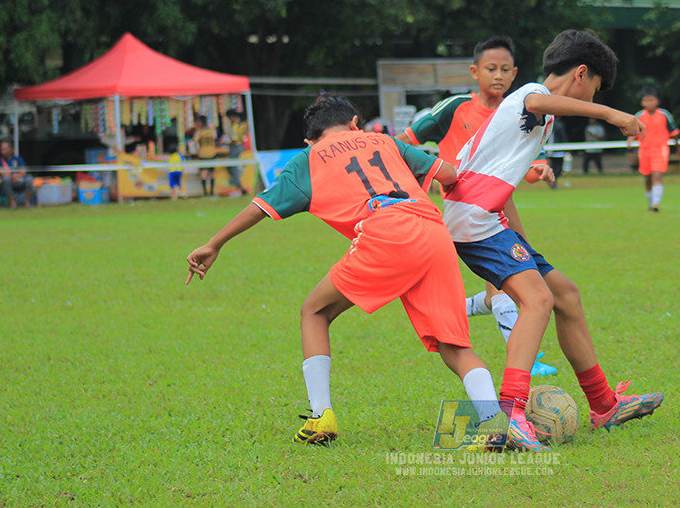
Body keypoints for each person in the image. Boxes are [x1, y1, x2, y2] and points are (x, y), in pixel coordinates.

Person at [185, 96, 520, 449]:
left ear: (310, 140)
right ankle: (494, 424)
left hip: (385, 232)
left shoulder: (308, 159)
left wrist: (215, 243)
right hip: (433, 232)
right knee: (454, 343)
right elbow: (449, 174)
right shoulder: (385, 140)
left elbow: (260, 207)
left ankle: (321, 417)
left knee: (314, 312)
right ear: (355, 123)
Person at [443, 29, 664, 450]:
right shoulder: (530, 94)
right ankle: (510, 413)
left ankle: (603, 404)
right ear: (581, 74)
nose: (591, 98)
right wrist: (611, 115)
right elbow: (538, 100)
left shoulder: (538, 119)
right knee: (538, 300)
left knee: (565, 294)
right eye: (593, 90)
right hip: (473, 219)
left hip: (487, 219)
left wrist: (522, 245)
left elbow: (501, 184)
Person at [396, 35, 557, 377]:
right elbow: (402, 143)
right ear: (474, 71)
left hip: (500, 203)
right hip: (458, 208)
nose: (497, 76)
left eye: (504, 70)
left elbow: (524, 167)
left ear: (515, 74)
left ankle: (465, 311)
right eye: (490, 69)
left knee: (513, 277)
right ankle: (527, 356)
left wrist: (538, 171)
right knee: (508, 280)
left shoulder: (517, 110)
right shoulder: (454, 108)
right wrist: (424, 172)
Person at [627, 87, 680, 212]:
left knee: (657, 176)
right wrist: (630, 140)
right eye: (646, 100)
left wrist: (678, 148)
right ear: (642, 102)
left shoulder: (664, 115)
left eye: (651, 100)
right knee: (647, 179)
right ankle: (651, 204)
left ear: (657, 101)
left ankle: (656, 204)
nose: (649, 103)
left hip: (660, 149)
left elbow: (674, 132)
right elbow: (634, 132)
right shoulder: (639, 116)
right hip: (644, 150)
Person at [0, 139, 37, 208]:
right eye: (1, 149)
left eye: (4, 149)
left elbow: (23, 171)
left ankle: (27, 202)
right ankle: (12, 202)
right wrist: (12, 176)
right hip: (8, 182)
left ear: (11, 149)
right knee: (6, 179)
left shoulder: (18, 159)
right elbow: (1, 173)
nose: (2, 151)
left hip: (19, 180)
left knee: (29, 179)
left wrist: (17, 175)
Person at [223, 109, 250, 195]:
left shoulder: (235, 125)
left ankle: (240, 187)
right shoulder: (243, 124)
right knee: (236, 167)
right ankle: (240, 186)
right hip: (242, 147)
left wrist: (225, 142)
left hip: (235, 147)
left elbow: (234, 139)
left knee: (233, 167)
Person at [194, 115, 218, 196]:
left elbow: (195, 140)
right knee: (212, 172)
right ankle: (211, 191)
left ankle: (205, 192)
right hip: (212, 152)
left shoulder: (200, 131)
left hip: (203, 153)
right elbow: (215, 137)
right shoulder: (211, 130)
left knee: (203, 172)